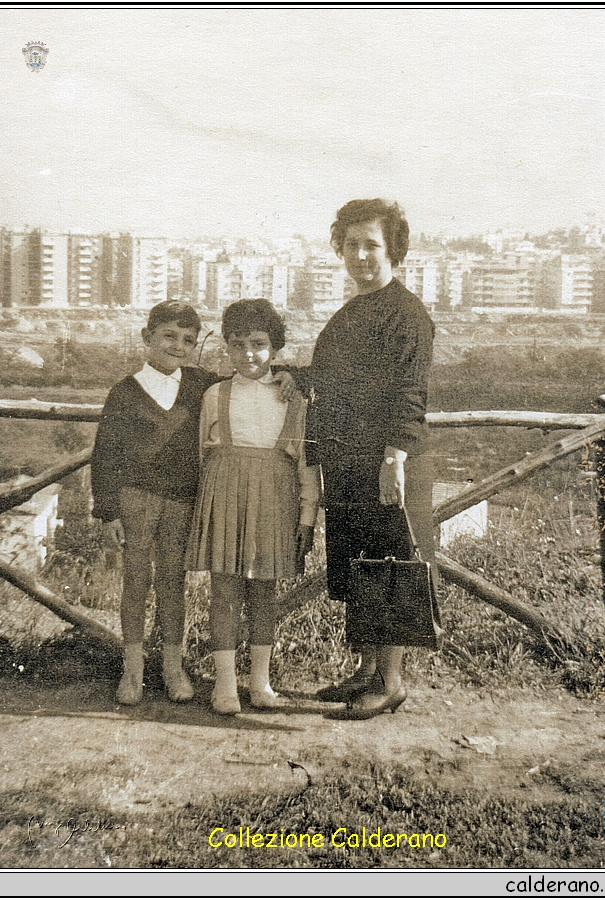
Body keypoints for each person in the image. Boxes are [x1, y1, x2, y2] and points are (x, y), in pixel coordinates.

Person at [89, 299, 296, 706]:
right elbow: (105, 453)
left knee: (171, 583)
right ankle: (131, 671)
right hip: (135, 500)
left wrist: (291, 376)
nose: (178, 346)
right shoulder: (125, 390)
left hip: (181, 500)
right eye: (168, 336)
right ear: (147, 338)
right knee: (134, 582)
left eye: (187, 339)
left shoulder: (200, 384)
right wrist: (107, 508)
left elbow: (251, 370)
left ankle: (172, 667)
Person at [293, 199, 437, 719]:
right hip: (350, 462)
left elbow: (409, 393)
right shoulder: (351, 312)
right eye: (351, 244)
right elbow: (331, 383)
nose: (360, 255)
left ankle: (390, 681)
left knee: (392, 563)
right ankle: (366, 671)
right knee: (360, 563)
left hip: (388, 463)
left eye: (371, 244)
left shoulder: (407, 315)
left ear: (393, 249)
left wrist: (393, 458)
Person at [186, 299, 320, 715]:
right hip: (224, 497)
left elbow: (305, 462)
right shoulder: (214, 395)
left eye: (258, 344)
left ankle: (260, 682)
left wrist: (307, 516)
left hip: (275, 502)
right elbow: (200, 455)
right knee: (224, 592)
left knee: (264, 593)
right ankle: (225, 686)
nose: (248, 354)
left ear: (275, 347)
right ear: (226, 348)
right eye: (238, 344)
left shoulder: (293, 398)